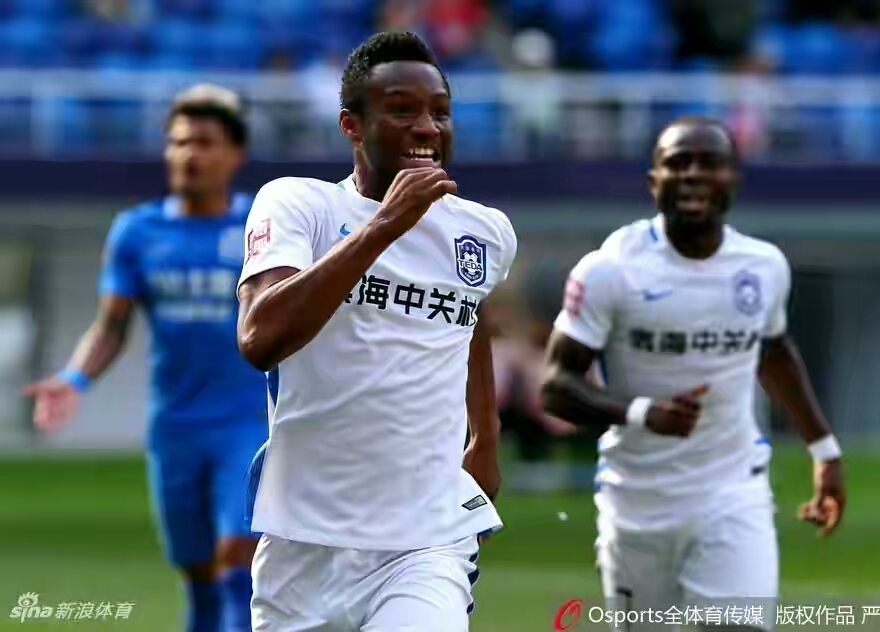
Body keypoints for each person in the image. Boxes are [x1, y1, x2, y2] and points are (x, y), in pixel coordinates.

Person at [235, 31, 517, 631]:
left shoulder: (486, 232)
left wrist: (486, 438)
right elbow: (260, 337)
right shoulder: (299, 205)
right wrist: (384, 226)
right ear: (351, 125)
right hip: (303, 539)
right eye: (402, 110)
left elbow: (470, 319)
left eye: (440, 112)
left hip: (427, 538)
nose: (427, 127)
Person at [540, 117, 846, 631]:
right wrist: (644, 413)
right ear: (653, 181)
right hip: (638, 501)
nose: (693, 174)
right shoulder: (611, 269)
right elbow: (555, 386)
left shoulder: (764, 267)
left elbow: (773, 351)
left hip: (733, 490)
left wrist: (825, 450)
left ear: (734, 178)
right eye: (678, 163)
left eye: (710, 163)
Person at [24, 84, 266, 632]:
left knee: (238, 562)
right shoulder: (137, 231)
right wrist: (73, 379)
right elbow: (112, 327)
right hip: (174, 426)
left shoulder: (258, 226)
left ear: (235, 154)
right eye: (178, 142)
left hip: (248, 421)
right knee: (198, 575)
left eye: (203, 142)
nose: (188, 154)